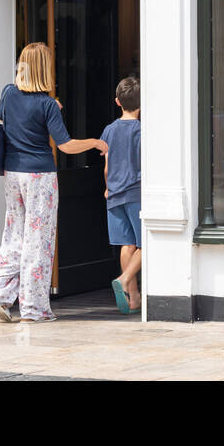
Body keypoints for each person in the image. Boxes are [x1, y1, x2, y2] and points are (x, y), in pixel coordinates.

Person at [0, 42, 109, 324]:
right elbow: (65, 146)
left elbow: (12, 118)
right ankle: (33, 309)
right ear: (46, 69)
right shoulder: (48, 104)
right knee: (38, 242)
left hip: (12, 174)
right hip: (39, 176)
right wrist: (96, 142)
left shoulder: (8, 92)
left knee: (14, 234)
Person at [101, 76, 142, 314]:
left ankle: (133, 298)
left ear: (117, 102)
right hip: (135, 192)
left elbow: (107, 165)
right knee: (146, 243)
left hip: (114, 194)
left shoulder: (109, 130)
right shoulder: (141, 130)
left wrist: (107, 187)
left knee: (127, 245)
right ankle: (125, 279)